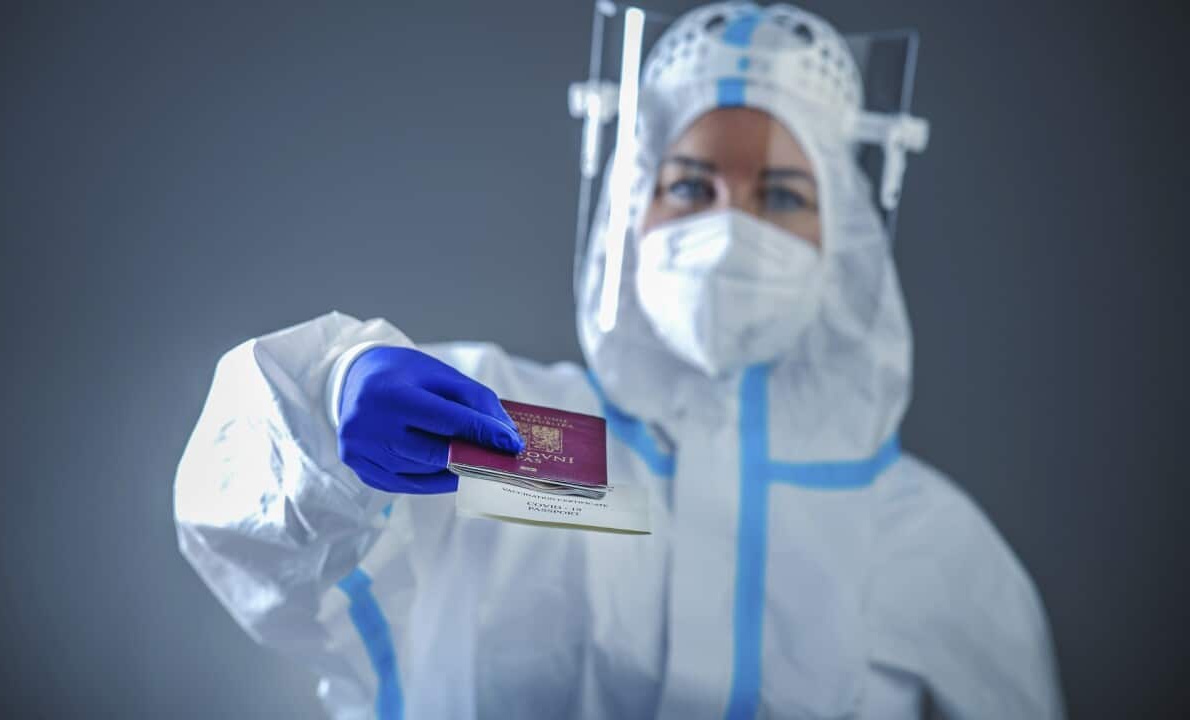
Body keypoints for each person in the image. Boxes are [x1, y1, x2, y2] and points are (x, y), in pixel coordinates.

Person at [174, 3, 1063, 718]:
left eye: (783, 194)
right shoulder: (518, 433)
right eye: (689, 186)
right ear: (628, 214)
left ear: (846, 240)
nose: (729, 227)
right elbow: (250, 537)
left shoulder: (942, 549)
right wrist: (323, 406)